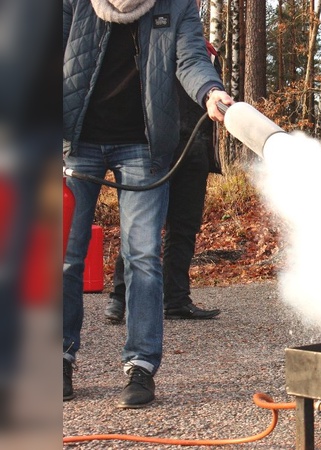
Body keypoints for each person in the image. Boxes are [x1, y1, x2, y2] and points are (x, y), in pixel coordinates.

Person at [63, 0, 233, 408]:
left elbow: (191, 58)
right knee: (64, 254)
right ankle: (59, 357)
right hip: (74, 142)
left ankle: (140, 365)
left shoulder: (177, 6)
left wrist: (211, 92)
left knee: (142, 255)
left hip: (143, 145)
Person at [105, 23, 223, 323]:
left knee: (184, 228)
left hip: (195, 149)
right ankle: (120, 298)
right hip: (153, 148)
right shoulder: (153, 43)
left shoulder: (208, 53)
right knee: (141, 224)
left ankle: (176, 299)